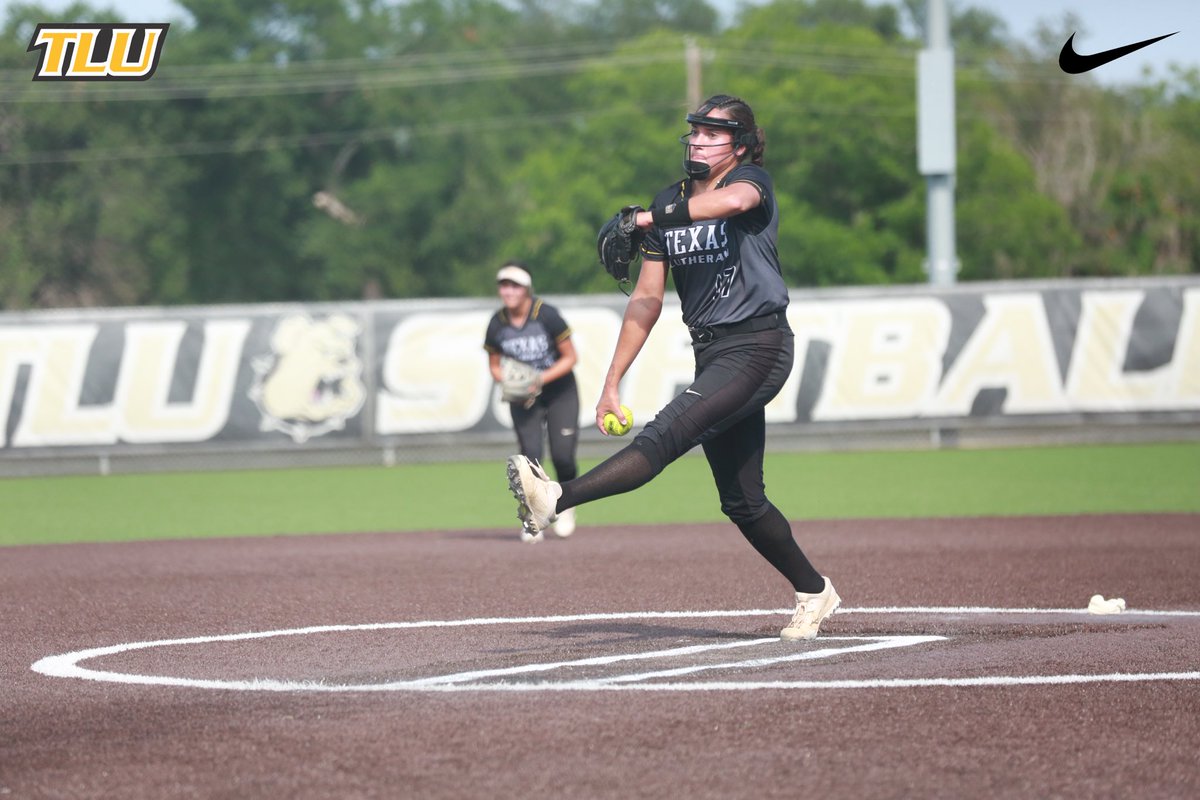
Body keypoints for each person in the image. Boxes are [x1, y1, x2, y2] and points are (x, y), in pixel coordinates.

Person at [505, 94, 839, 640]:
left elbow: (729, 206)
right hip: (713, 352)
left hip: (759, 344)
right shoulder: (672, 201)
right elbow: (646, 300)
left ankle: (558, 498)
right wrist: (611, 382)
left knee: (667, 433)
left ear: (742, 144)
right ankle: (814, 591)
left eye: (713, 133)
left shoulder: (752, 182)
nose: (700, 140)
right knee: (742, 501)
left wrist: (642, 217)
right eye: (696, 132)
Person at [485, 261, 580, 541]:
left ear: (527, 288)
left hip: (560, 391)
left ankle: (567, 504)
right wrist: (510, 382)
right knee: (530, 458)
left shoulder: (546, 315)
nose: (508, 291)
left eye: (514, 285)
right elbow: (494, 364)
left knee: (563, 455)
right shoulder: (497, 323)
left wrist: (538, 379)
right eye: (504, 285)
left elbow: (570, 357)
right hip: (524, 398)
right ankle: (534, 516)